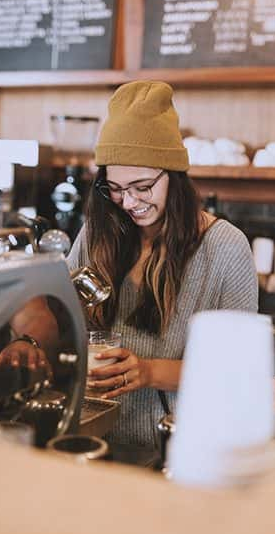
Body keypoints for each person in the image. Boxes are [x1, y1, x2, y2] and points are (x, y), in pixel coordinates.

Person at [65, 80, 258, 448]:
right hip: (92, 435)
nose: (128, 202)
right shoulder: (97, 232)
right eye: (116, 188)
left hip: (178, 444)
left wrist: (148, 371)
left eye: (142, 186)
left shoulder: (224, 246)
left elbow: (238, 371)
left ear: (174, 176)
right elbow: (65, 313)